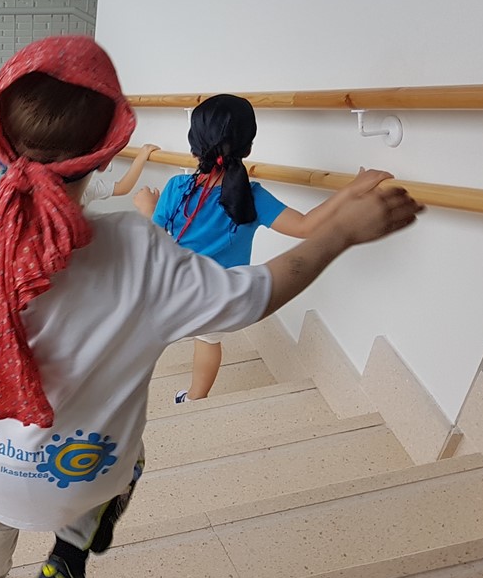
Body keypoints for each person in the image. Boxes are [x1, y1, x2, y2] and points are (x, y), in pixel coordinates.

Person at [0, 36, 421, 578]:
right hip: (89, 477)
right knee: (129, 460)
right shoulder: (144, 256)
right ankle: (68, 561)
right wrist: (339, 232)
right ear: (105, 157)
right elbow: (258, 294)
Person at [133, 94, 392, 403]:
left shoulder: (176, 187)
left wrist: (147, 208)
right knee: (208, 343)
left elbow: (153, 240)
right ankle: (194, 398)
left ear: (194, 146)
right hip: (220, 302)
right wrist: (351, 189)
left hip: (175, 296)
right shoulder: (252, 196)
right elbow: (306, 226)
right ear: (248, 148)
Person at [0, 142, 161, 214]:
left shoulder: (24, 187)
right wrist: (141, 157)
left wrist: (141, 157)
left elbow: (122, 187)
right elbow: (123, 187)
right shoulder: (86, 188)